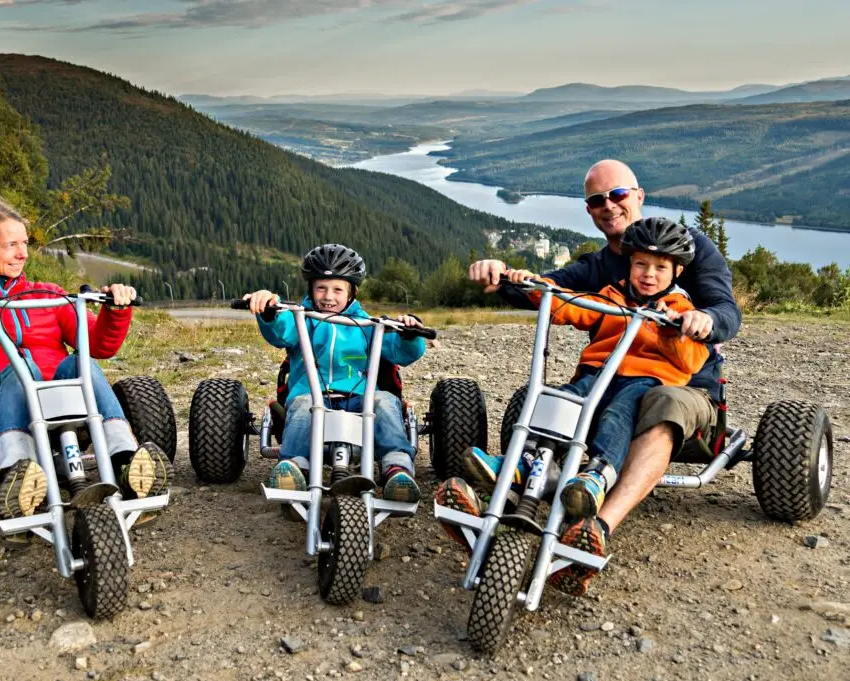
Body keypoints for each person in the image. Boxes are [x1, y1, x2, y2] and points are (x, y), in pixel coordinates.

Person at [435, 159, 742, 595]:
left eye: (617, 195)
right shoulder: (603, 277)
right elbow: (559, 296)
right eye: (597, 200)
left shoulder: (687, 256)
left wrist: (701, 321)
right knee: (553, 399)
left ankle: (596, 524)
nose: (609, 206)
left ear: (638, 195)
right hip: (602, 374)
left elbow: (725, 312)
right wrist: (508, 278)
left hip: (677, 383)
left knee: (646, 406)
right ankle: (505, 493)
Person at [463, 218, 709, 593]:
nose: (648, 274)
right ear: (629, 264)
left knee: (618, 411)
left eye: (660, 267)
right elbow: (571, 306)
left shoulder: (680, 308)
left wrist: (678, 328)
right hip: (597, 373)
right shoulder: (612, 296)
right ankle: (523, 463)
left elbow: (691, 362)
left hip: (645, 380)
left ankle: (597, 475)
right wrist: (533, 284)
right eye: (641, 264)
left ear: (677, 271)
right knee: (560, 399)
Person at [0, 199, 170, 531]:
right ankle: (16, 475)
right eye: (11, 244)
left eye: (24, 243)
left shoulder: (50, 296)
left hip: (54, 403)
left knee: (79, 363)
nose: (23, 253)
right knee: (21, 366)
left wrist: (116, 309)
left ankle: (126, 462)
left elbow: (99, 346)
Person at [244, 243, 427, 503]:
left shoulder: (369, 326)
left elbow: (402, 353)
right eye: (321, 288)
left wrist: (409, 333)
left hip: (361, 400)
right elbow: (280, 331)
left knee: (385, 402)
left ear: (352, 292)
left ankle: (397, 469)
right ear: (310, 289)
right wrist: (268, 309)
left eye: (338, 289)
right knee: (303, 404)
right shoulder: (301, 320)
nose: (328, 296)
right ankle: (294, 468)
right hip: (313, 396)